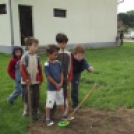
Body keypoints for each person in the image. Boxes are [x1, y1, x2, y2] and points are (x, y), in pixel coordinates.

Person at [43, 44, 67, 126]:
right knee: (49, 102)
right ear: (49, 54)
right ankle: (47, 118)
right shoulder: (47, 65)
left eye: (57, 54)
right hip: (51, 88)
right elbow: (48, 77)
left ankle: (63, 115)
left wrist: (60, 83)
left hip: (59, 87)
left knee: (61, 101)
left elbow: (61, 73)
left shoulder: (58, 63)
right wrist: (56, 84)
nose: (56, 56)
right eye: (55, 55)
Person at [20, 37, 43, 119]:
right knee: (28, 96)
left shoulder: (37, 57)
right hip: (28, 81)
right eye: (35, 46)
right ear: (29, 46)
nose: (36, 47)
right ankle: (26, 110)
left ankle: (35, 109)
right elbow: (22, 70)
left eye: (37, 46)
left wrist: (40, 79)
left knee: (36, 96)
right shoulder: (24, 57)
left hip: (35, 80)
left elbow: (39, 69)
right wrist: (26, 79)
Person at [71, 44, 94, 111]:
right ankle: (64, 106)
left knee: (75, 89)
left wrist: (89, 68)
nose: (81, 57)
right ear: (74, 54)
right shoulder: (69, 57)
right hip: (68, 74)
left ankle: (75, 105)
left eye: (82, 55)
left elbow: (86, 64)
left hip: (76, 74)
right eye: (79, 56)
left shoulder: (82, 60)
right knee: (65, 89)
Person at [56, 33, 73, 115]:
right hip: (57, 79)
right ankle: (60, 110)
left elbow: (70, 66)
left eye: (65, 43)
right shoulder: (55, 54)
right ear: (58, 43)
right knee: (58, 94)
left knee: (66, 94)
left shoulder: (68, 54)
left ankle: (67, 110)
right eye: (62, 43)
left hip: (66, 78)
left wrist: (69, 77)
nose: (64, 45)